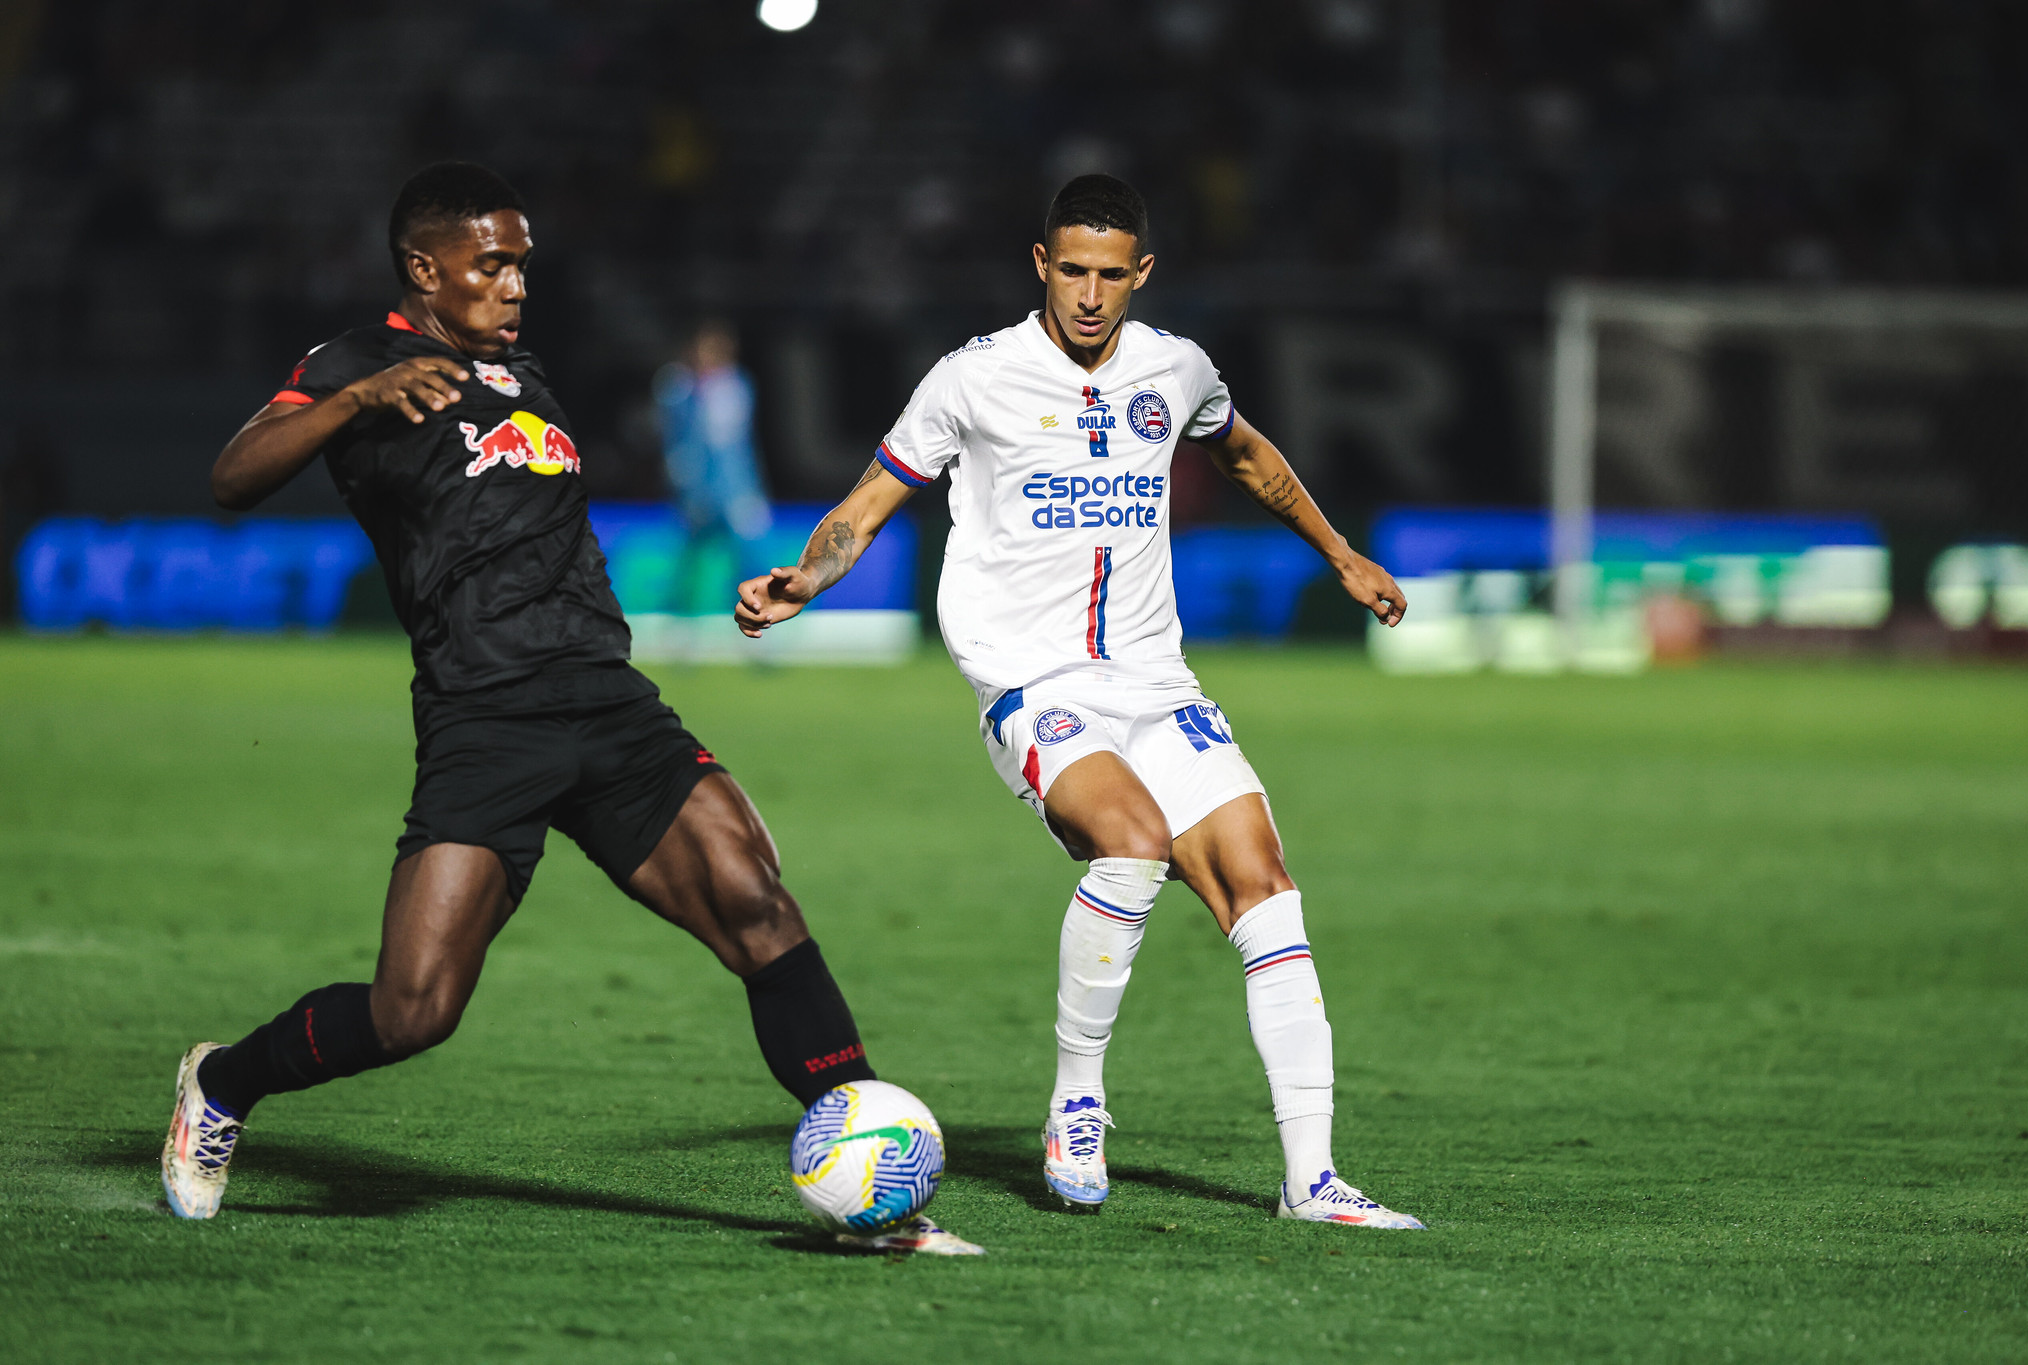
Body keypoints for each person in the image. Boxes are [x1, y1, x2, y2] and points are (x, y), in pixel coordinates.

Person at [163, 162, 977, 1255]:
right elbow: (231, 476)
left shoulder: (525, 376)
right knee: (414, 1011)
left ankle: (877, 1182)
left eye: (522, 266)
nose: (513, 286)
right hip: (484, 717)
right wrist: (354, 401)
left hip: (608, 705)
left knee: (758, 906)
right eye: (490, 264)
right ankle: (222, 1081)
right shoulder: (357, 365)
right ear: (424, 268)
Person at [736, 174, 1424, 1229]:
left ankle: (1311, 1179)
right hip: (1032, 682)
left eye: (1112, 274)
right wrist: (803, 578)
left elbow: (1242, 451)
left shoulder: (1174, 367)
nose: (1090, 295)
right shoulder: (974, 378)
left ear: (1141, 273)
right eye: (1072, 271)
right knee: (1131, 844)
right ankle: (1075, 1100)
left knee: (1265, 888)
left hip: (1156, 681)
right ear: (1039, 265)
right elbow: (868, 502)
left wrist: (1338, 553)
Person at [653, 322, 773, 615]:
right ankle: (679, 627)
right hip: (697, 491)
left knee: (748, 559)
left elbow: (742, 445)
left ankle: (754, 623)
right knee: (691, 561)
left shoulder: (738, 385)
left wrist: (752, 490)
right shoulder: (678, 387)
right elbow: (674, 441)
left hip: (736, 489)